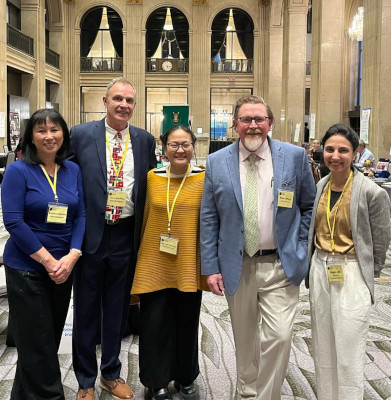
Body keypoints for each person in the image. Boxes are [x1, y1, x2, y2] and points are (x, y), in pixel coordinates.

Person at [200, 95, 316, 399]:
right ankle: (247, 392)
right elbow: (209, 217)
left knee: (279, 336)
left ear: (270, 123)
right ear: (235, 124)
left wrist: (301, 247)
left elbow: (308, 205)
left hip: (281, 263)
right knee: (245, 338)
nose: (253, 126)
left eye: (259, 119)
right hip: (238, 265)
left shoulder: (294, 157)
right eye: (246, 120)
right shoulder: (216, 161)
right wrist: (210, 266)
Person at [70, 77, 156, 400]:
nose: (124, 105)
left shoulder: (144, 140)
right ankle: (84, 381)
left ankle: (110, 372)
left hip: (125, 235)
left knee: (118, 310)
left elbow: (151, 188)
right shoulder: (80, 135)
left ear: (135, 106)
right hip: (90, 234)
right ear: (105, 101)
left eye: (130, 101)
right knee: (86, 310)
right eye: (117, 99)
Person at [1, 108, 86, 399]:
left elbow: (81, 215)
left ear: (64, 133)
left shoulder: (73, 170)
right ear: (31, 137)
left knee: (43, 341)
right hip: (27, 269)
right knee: (38, 347)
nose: (49, 136)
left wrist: (73, 255)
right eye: (41, 131)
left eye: (55, 129)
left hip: (63, 267)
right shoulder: (17, 170)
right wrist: (49, 262)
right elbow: (13, 221)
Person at [306, 123, 391, 400]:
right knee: (323, 343)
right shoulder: (320, 185)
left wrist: (370, 275)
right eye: (330, 149)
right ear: (322, 151)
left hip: (352, 270)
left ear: (355, 153)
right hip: (321, 268)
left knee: (349, 345)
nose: (335, 156)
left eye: (343, 150)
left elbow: (380, 241)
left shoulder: (371, 192)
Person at [132, 126, 208, 400]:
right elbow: (142, 219)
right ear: (163, 148)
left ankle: (186, 377)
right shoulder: (152, 178)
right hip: (154, 262)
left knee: (187, 322)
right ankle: (157, 380)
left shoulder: (203, 178)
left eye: (185, 144)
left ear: (193, 147)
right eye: (174, 145)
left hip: (188, 262)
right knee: (153, 325)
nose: (180, 150)